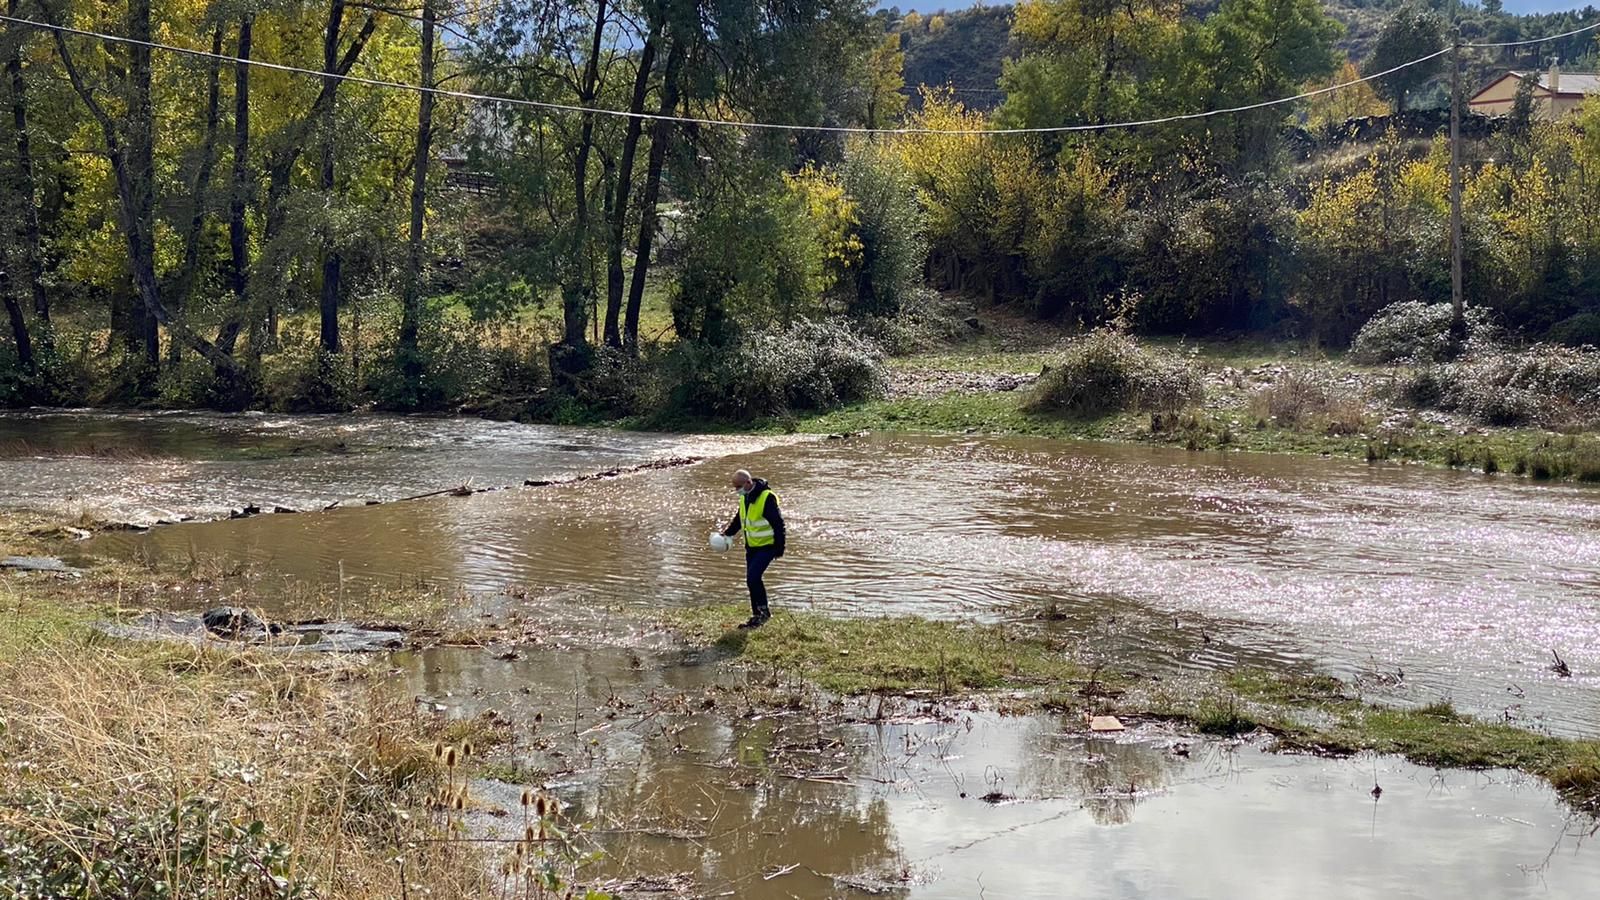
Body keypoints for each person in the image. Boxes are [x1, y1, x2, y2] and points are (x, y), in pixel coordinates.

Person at [721, 469, 785, 628]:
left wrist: (780, 547)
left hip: (768, 546)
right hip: (752, 547)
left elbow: (778, 524)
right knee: (751, 580)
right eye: (735, 488)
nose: (737, 491)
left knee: (753, 578)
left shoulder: (766, 498)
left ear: (748, 483)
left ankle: (763, 613)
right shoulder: (745, 497)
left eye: (738, 487)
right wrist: (727, 534)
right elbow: (739, 519)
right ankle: (757, 614)